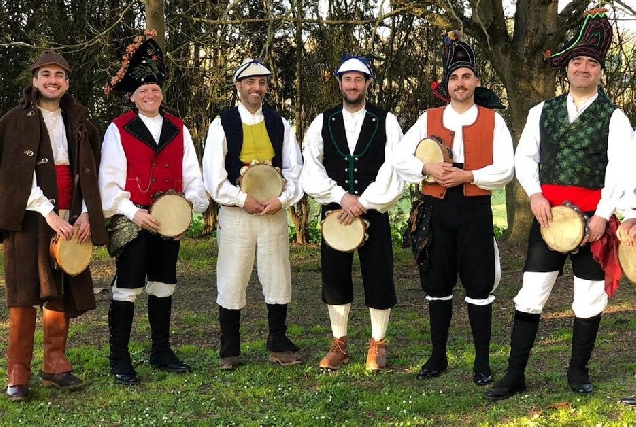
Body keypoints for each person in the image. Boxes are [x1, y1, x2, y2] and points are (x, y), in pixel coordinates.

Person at [485, 9, 635, 400]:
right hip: (549, 218)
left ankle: (577, 369)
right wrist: (534, 193)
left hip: (595, 221)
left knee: (588, 296)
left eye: (591, 63)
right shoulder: (542, 112)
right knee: (532, 293)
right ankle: (515, 373)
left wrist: (604, 216)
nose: (583, 68)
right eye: (577, 61)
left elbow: (623, 169)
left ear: (600, 71)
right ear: (566, 69)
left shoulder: (615, 117)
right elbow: (525, 159)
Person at [393, 32, 514, 385]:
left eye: (466, 76)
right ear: (446, 85)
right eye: (454, 78)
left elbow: (506, 169)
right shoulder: (427, 118)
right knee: (437, 284)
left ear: (476, 80)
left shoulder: (494, 121)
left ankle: (481, 361)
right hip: (436, 209)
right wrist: (428, 169)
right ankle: (437, 356)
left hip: (474, 210)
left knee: (478, 286)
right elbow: (400, 157)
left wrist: (468, 175)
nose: (460, 83)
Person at [99, 31, 209, 385]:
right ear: (132, 96)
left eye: (155, 89)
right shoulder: (119, 129)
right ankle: (120, 357)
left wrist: (188, 206)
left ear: (162, 93)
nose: (150, 94)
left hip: (168, 220)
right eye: (143, 90)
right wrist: (134, 213)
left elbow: (193, 174)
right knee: (128, 286)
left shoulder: (179, 128)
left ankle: (161, 350)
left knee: (163, 284)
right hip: (134, 219)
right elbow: (109, 182)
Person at [0, 51, 108, 401]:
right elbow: (14, 174)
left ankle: (55, 363)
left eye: (59, 75)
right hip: (28, 217)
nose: (52, 80)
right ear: (34, 81)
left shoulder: (79, 121)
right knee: (23, 290)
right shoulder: (15, 120)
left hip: (71, 214)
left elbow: (90, 172)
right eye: (45, 74)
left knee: (59, 287)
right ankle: (18, 371)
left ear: (67, 82)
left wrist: (87, 212)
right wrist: (47, 213)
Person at [301, 55, 404, 371]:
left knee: (379, 277)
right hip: (336, 214)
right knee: (335, 279)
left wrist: (364, 201)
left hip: (373, 211)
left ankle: (377, 344)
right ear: (340, 83)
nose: (353, 85)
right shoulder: (323, 120)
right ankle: (339, 344)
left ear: (368, 83)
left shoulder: (385, 121)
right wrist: (340, 197)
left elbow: (394, 165)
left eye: (359, 79)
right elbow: (311, 165)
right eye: (347, 79)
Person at [202, 58, 303, 370]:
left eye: (261, 82)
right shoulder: (222, 123)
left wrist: (283, 199)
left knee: (277, 276)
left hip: (272, 213)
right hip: (237, 214)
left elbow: (294, 169)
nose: (256, 88)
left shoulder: (279, 123)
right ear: (238, 86)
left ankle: (278, 341)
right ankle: (229, 348)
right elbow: (213, 176)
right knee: (232, 276)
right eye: (249, 82)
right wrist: (241, 198)